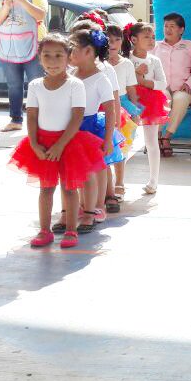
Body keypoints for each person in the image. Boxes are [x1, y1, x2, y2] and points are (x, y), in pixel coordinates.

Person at [9, 34, 105, 250]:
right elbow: (32, 116)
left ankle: (71, 230)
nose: (52, 61)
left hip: (68, 142)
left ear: (68, 57)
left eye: (59, 56)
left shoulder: (75, 85)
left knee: (70, 189)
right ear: (39, 58)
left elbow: (77, 117)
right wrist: (34, 144)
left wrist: (60, 145)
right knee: (46, 189)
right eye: (47, 56)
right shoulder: (35, 85)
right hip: (42, 144)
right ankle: (45, 230)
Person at [66, 29, 118, 234]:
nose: (69, 54)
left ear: (88, 51)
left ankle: (97, 206)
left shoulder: (100, 79)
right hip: (72, 127)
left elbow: (110, 109)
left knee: (94, 170)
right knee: (78, 170)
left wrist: (108, 138)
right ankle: (83, 205)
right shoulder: (70, 75)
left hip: (91, 128)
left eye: (73, 50)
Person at [0, 0, 46, 132]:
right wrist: (7, 5)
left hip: (34, 46)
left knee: (36, 83)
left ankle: (39, 122)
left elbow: (40, 15)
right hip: (9, 46)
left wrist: (21, 0)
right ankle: (16, 119)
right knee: (14, 84)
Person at [125, 22, 170, 194]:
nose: (151, 40)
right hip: (130, 101)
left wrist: (144, 82)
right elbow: (124, 82)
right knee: (126, 140)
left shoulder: (154, 60)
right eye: (146, 37)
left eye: (152, 37)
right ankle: (119, 180)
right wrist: (137, 75)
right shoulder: (127, 59)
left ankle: (153, 180)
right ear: (134, 39)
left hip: (151, 103)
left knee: (151, 142)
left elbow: (162, 83)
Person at [153, 13, 191, 157]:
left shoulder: (190, 46)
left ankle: (167, 137)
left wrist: (188, 84)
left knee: (180, 98)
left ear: (181, 29)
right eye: (166, 26)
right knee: (163, 98)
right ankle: (157, 136)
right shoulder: (156, 46)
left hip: (183, 89)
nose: (168, 29)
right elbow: (149, 69)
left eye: (172, 26)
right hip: (162, 87)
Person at [104, 24, 138, 205]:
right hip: (103, 105)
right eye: (109, 39)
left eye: (117, 39)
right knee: (104, 145)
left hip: (123, 105)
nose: (113, 43)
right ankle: (106, 184)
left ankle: (120, 182)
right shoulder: (99, 63)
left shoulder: (126, 63)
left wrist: (135, 111)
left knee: (121, 146)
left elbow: (131, 88)